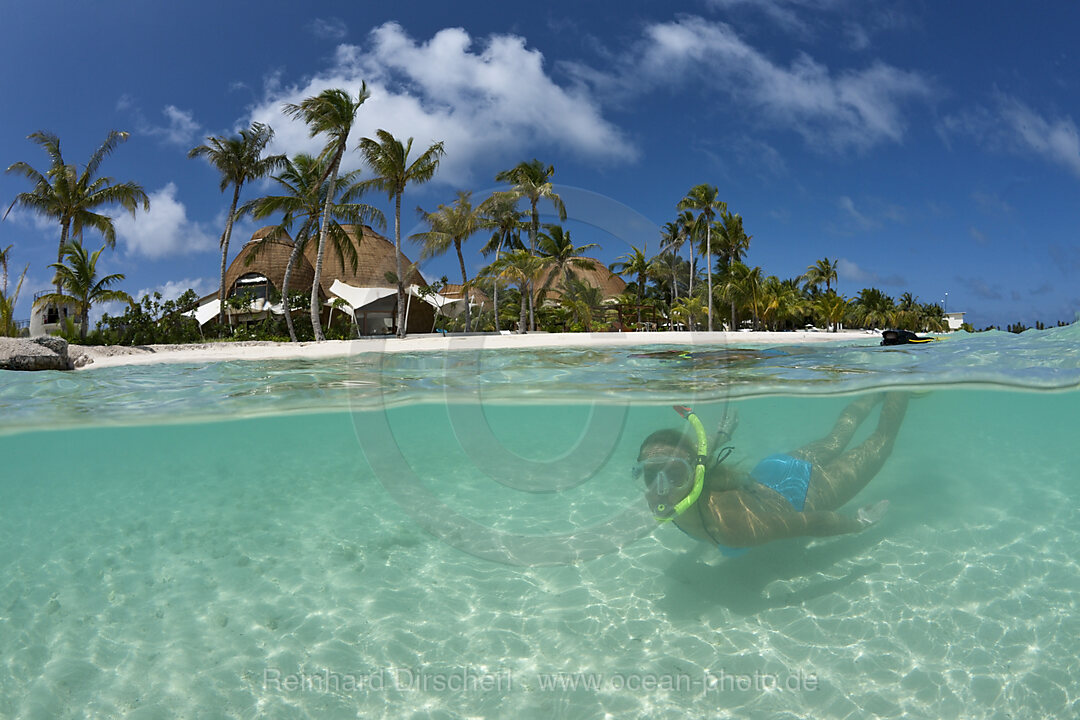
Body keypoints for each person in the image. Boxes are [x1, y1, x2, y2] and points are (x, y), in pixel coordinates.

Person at [635, 393, 908, 553]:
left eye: (674, 474)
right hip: (770, 472)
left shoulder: (729, 528)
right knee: (835, 439)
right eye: (650, 475)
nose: (661, 489)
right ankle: (879, 390)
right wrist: (723, 433)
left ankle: (899, 385)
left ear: (694, 474)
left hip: (800, 495)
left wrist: (858, 523)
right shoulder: (676, 498)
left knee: (880, 443)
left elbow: (810, 523)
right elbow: (700, 459)